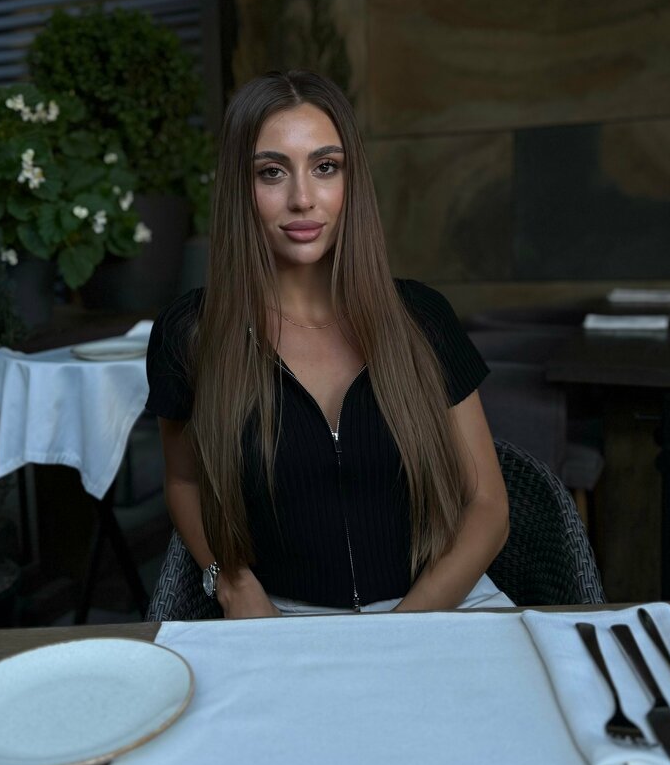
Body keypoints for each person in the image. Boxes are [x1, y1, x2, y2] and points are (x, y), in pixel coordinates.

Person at [146, 70, 512, 618]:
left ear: (350, 179)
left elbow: (487, 506)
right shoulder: (192, 332)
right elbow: (183, 481)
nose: (303, 199)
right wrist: (232, 584)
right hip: (285, 620)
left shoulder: (422, 318)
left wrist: (404, 630)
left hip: (442, 608)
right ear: (240, 188)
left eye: (325, 167)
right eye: (272, 172)